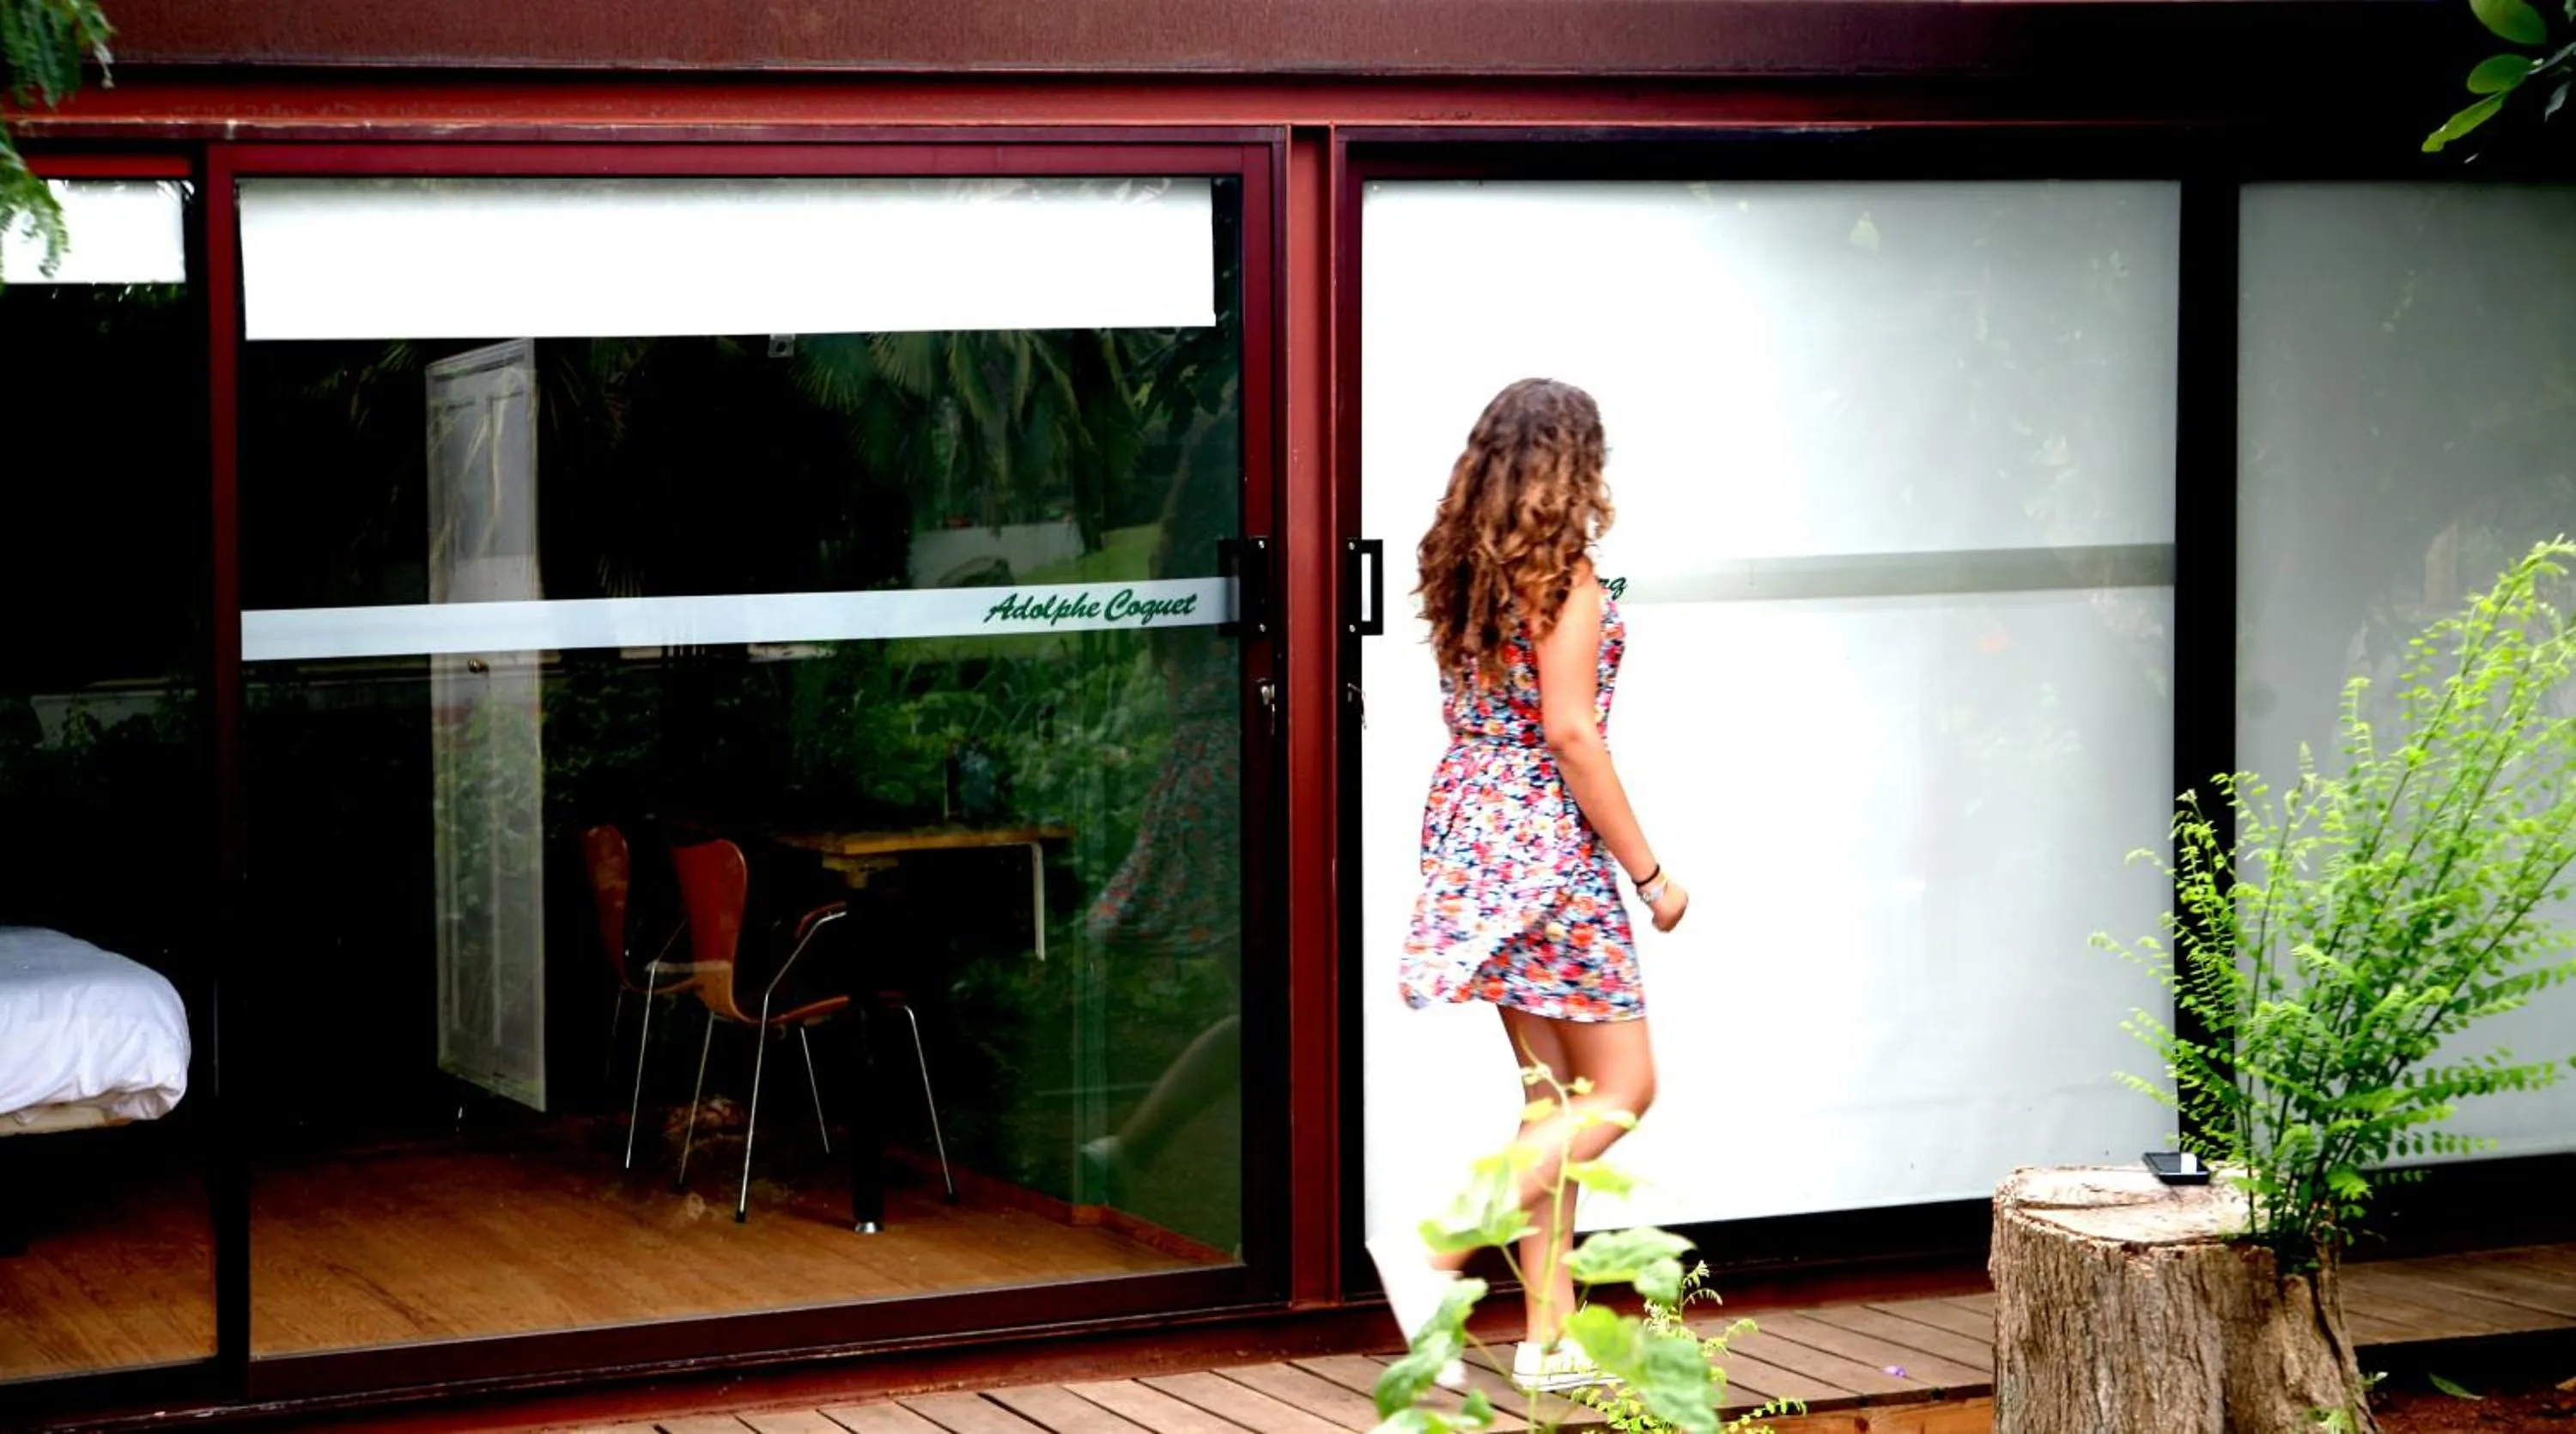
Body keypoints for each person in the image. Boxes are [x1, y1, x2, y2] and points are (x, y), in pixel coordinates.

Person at [1370, 378, 1688, 1395]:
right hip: (1547, 842)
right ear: (1573, 468)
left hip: (1476, 826)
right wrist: (1649, 872)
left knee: (1554, 1096)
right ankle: (1436, 1251)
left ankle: (1549, 1337)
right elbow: (1572, 733)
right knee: (1625, 1086)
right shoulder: (1568, 582)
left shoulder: (1465, 568)